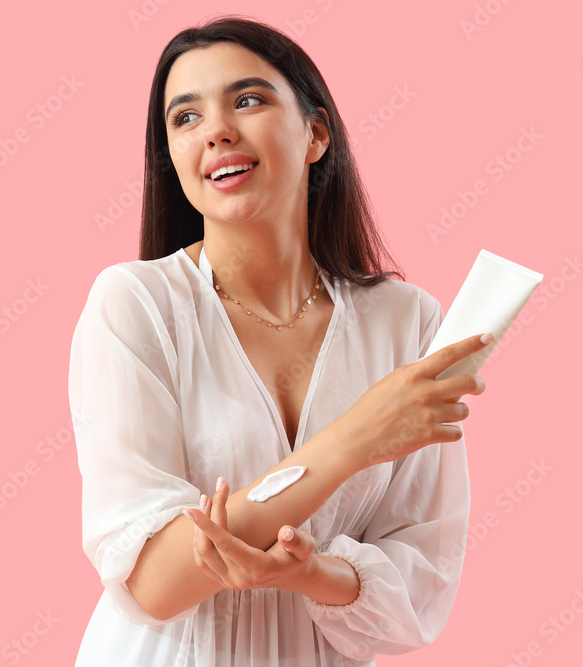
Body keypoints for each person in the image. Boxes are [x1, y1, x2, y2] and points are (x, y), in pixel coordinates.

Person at [67, 15, 492, 667]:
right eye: (184, 118)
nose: (216, 131)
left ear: (316, 132)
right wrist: (357, 437)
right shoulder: (135, 305)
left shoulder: (408, 322)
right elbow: (154, 578)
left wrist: (303, 572)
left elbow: (420, 581)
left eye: (247, 100)